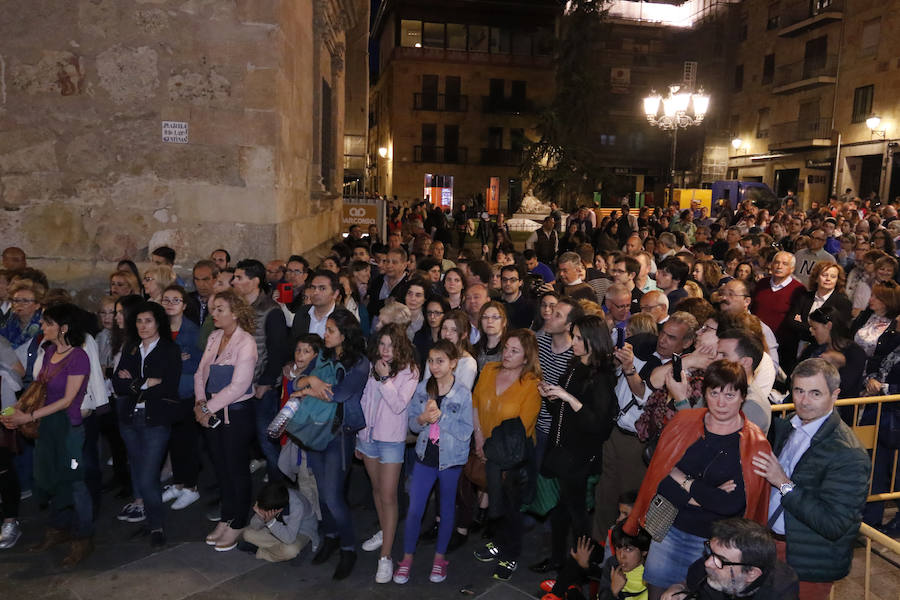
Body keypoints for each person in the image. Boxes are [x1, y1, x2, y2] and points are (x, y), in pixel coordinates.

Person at [624, 360, 773, 600]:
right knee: (658, 595)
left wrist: (684, 481)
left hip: (714, 545)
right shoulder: (684, 423)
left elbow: (731, 505)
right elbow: (661, 481)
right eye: (714, 393)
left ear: (743, 397)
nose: (721, 402)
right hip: (669, 529)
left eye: (730, 395)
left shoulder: (754, 443)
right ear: (704, 394)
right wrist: (709, 495)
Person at [751, 358, 869, 600]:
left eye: (815, 393)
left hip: (807, 562)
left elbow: (834, 524)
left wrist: (783, 483)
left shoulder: (848, 453)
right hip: (771, 547)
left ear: (834, 395)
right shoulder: (790, 426)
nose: (804, 401)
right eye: (799, 391)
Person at [2, 303, 94, 566]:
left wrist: (26, 418)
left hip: (68, 429)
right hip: (47, 428)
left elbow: (67, 400)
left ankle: (84, 538)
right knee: (52, 479)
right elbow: (36, 391)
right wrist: (11, 411)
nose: (42, 327)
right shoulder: (50, 350)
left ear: (63, 328)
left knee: (75, 483)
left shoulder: (78, 357)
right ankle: (58, 529)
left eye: (47, 323)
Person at [537, 316, 618, 574]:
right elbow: (562, 409)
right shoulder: (574, 365)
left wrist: (567, 397)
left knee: (576, 513)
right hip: (563, 449)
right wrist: (551, 395)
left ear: (594, 342)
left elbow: (598, 425)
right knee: (563, 510)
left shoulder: (602, 377)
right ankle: (561, 560)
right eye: (574, 336)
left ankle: (580, 565)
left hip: (580, 455)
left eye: (580, 338)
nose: (574, 342)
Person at [394, 340, 474, 585]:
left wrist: (442, 418)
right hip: (425, 457)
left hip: (450, 460)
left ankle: (440, 558)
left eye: (440, 361)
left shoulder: (462, 393)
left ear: (453, 364)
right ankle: (407, 558)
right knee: (415, 509)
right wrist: (422, 417)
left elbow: (466, 430)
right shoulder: (422, 389)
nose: (435, 366)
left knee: (447, 509)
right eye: (431, 361)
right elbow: (412, 424)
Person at [300, 308, 370, 580]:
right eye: (325, 329)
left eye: (330, 330)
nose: (324, 334)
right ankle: (330, 537)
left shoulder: (360, 363)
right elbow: (301, 377)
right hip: (317, 430)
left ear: (344, 335)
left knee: (333, 495)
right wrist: (310, 381)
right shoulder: (325, 354)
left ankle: (349, 547)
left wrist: (311, 383)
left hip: (339, 434)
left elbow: (337, 394)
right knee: (321, 490)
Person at [472, 329, 542, 581]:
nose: (507, 354)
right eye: (506, 348)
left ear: (526, 357)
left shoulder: (532, 383)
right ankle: (497, 543)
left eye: (515, 351)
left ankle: (510, 554)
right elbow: (476, 403)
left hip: (514, 457)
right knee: (495, 503)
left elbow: (520, 430)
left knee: (511, 508)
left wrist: (489, 450)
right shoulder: (489, 370)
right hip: (485, 450)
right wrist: (479, 439)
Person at [112, 301, 182, 548]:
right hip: (129, 418)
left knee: (148, 475)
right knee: (138, 468)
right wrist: (145, 383)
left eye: (148, 321)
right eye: (139, 321)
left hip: (156, 420)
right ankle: (150, 518)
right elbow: (117, 383)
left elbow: (168, 386)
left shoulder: (170, 350)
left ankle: (156, 525)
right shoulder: (130, 347)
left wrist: (133, 384)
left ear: (159, 323)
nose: (143, 325)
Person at [194, 289, 258, 552]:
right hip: (210, 411)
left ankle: (239, 521)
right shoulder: (214, 336)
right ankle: (227, 516)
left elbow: (239, 386)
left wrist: (207, 408)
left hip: (237, 414)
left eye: (220, 309)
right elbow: (200, 373)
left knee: (236, 469)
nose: (214, 313)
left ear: (235, 312)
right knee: (220, 467)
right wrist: (199, 403)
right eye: (213, 308)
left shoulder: (246, 343)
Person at [356, 323, 419, 583]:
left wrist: (383, 379)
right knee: (376, 490)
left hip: (391, 441)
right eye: (382, 344)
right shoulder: (372, 366)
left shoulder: (410, 371)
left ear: (400, 346)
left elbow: (397, 405)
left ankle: (386, 556)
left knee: (389, 495)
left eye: (391, 345)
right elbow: (364, 401)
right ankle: (385, 530)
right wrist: (360, 437)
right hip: (368, 438)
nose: (385, 350)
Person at [661, 518, 799, 600]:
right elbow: (691, 584)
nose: (708, 563)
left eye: (721, 560)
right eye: (710, 552)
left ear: (751, 573)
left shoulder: (781, 590)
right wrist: (680, 589)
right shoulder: (709, 565)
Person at [160, 285, 202, 510]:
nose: (170, 304)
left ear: (184, 305)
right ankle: (177, 483)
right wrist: (176, 359)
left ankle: (191, 487)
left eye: (175, 300)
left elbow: (197, 365)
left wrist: (175, 361)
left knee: (188, 442)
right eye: (166, 300)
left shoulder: (193, 331)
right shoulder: (160, 329)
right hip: (166, 393)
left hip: (186, 392)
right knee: (173, 441)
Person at [782, 262, 851, 373]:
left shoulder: (843, 302)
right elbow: (791, 322)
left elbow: (836, 331)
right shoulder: (804, 297)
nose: (828, 279)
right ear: (816, 277)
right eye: (824, 275)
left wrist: (803, 325)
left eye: (833, 276)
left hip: (822, 353)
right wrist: (814, 328)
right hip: (795, 349)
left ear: (838, 280)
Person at [239, 480, 319, 563]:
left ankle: (259, 551)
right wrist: (261, 515)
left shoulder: (297, 507)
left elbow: (289, 539)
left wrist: (270, 522)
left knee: (291, 550)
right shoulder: (269, 498)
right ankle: (278, 551)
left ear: (278, 510)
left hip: (301, 531)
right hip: (278, 530)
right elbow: (254, 525)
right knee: (247, 534)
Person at [800, 306, 867, 399]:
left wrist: (834, 366)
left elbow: (844, 387)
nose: (812, 333)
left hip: (838, 407)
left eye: (815, 328)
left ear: (828, 326)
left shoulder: (855, 352)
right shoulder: (813, 348)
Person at [474, 301, 508, 370]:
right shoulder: (475, 349)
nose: (489, 321)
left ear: (504, 322)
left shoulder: (508, 350)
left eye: (495, 317)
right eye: (485, 317)